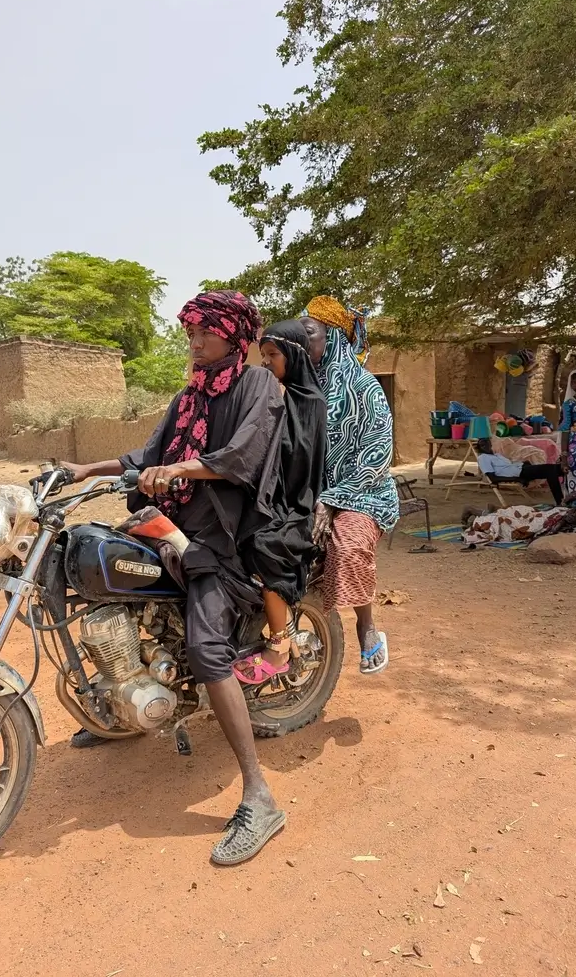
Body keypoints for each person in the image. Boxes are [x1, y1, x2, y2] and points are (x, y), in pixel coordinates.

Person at [62, 290, 288, 866]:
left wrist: (179, 469)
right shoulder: (190, 393)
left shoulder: (256, 385)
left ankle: (259, 797)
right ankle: (124, 709)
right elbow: (148, 453)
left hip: (224, 534)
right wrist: (87, 469)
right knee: (100, 580)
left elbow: (241, 456)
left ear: (233, 335)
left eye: (204, 331)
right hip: (172, 522)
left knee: (206, 647)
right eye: (189, 331)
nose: (194, 339)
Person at [299, 296, 399, 674]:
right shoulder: (302, 386)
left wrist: (332, 499)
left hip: (364, 492)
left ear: (334, 338)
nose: (302, 342)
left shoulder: (365, 389)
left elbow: (376, 456)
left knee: (348, 541)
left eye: (309, 333)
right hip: (315, 492)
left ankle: (366, 625)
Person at [231, 320, 327, 683]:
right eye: (264, 355)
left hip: (295, 503)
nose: (267, 362)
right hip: (273, 496)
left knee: (266, 544)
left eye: (273, 355)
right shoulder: (278, 395)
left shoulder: (310, 402)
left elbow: (296, 456)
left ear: (295, 355)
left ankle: (280, 646)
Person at [475, 438, 565, 506]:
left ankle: (562, 501)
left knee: (557, 469)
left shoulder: (497, 455)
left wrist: (524, 463)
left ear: (490, 444)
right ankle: (560, 502)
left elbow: (511, 464)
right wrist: (517, 479)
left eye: (487, 444)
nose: (485, 447)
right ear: (479, 448)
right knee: (550, 470)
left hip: (522, 468)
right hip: (519, 474)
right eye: (482, 445)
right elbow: (493, 478)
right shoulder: (483, 458)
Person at [560, 369, 576, 500]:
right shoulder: (569, 404)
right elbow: (565, 429)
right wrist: (564, 457)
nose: (575, 383)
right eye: (573, 381)